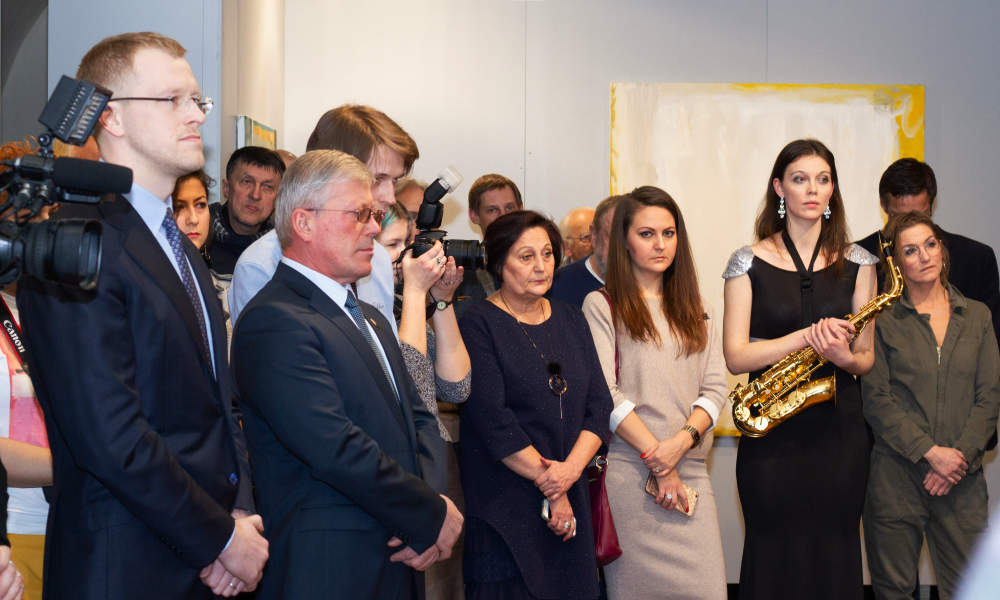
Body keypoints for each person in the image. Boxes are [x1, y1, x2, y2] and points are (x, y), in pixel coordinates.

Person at [16, 32, 267, 599]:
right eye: (172, 99)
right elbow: (109, 435)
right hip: (125, 566)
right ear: (111, 118)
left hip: (207, 563)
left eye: (196, 100)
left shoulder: (183, 251)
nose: (195, 115)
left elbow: (221, 405)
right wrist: (219, 538)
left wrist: (238, 513)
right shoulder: (72, 243)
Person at [231, 149, 463, 599]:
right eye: (359, 215)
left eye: (374, 216)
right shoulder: (274, 319)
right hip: (329, 569)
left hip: (402, 553)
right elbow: (334, 445)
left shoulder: (370, 317)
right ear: (304, 222)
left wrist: (432, 508)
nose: (374, 228)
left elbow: (418, 417)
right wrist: (429, 514)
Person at [721, 139, 877, 599]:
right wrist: (808, 337)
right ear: (779, 188)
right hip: (772, 434)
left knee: (836, 553)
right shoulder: (746, 262)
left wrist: (843, 356)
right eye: (800, 179)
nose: (813, 189)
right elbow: (736, 356)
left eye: (823, 179)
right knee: (772, 554)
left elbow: (865, 358)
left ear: (833, 190)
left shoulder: (861, 263)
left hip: (839, 433)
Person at [458, 210, 612, 599]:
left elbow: (599, 406)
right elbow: (494, 422)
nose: (541, 266)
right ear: (498, 263)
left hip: (570, 496)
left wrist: (568, 474)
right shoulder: (477, 323)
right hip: (505, 506)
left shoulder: (571, 318)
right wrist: (554, 488)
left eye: (547, 254)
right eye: (526, 257)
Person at [583, 186, 728, 599]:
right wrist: (658, 461)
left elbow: (715, 388)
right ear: (624, 241)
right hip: (631, 474)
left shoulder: (699, 306)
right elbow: (606, 393)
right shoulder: (602, 304)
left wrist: (678, 447)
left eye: (668, 233)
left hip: (691, 468)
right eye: (646, 234)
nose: (660, 244)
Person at [861, 211, 999, 599]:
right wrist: (931, 453)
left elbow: (989, 397)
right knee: (894, 592)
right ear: (896, 263)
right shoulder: (881, 320)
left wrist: (957, 459)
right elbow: (877, 400)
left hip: (962, 480)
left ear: (942, 249)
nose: (924, 256)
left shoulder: (978, 316)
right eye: (910, 250)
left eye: (930, 244)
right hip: (896, 480)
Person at [229, 104, 419, 332]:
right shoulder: (261, 265)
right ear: (330, 172)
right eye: (377, 179)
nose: (390, 197)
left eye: (395, 181)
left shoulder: (377, 257)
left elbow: (383, 350)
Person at [377, 202, 471, 599]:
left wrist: (442, 300)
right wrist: (417, 293)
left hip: (435, 466)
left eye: (407, 243)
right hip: (393, 471)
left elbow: (456, 387)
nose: (405, 257)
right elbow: (411, 387)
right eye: (392, 245)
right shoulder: (365, 311)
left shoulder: (404, 305)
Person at [857, 158, 1000, 340]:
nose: (911, 226)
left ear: (931, 206)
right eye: (900, 218)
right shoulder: (856, 258)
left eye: (920, 216)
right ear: (883, 206)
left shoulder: (976, 260)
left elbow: (991, 340)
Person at [0, 140, 49, 600]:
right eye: (25, 223)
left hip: (66, 521)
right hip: (15, 529)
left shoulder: (46, 307)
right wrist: (81, 465)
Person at [453, 174, 523, 318]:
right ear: (474, 215)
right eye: (492, 210)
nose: (503, 216)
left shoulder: (542, 266)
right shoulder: (459, 274)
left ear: (521, 210)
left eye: (509, 208)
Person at [209, 146, 285, 275]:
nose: (255, 195)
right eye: (247, 182)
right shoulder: (197, 237)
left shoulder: (284, 249)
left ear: (278, 198)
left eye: (267, 187)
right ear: (226, 188)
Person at [550, 195, 624, 308]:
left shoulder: (647, 282)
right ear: (594, 235)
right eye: (585, 238)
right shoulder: (556, 287)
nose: (623, 247)